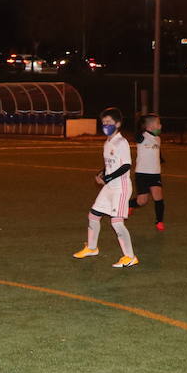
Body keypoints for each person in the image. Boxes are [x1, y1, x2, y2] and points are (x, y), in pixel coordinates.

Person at [72, 107, 138, 268]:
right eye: (103, 122)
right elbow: (110, 164)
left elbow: (125, 166)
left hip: (120, 188)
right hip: (109, 186)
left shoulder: (121, 142)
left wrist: (107, 177)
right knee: (93, 215)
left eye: (109, 122)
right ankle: (92, 248)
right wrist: (101, 173)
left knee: (116, 222)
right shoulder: (107, 142)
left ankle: (130, 257)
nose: (105, 125)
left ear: (118, 124)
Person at [133, 113, 166, 232]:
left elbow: (156, 152)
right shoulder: (142, 137)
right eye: (158, 123)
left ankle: (159, 221)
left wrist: (161, 159)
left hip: (155, 173)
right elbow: (137, 134)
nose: (160, 126)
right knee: (142, 201)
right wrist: (140, 124)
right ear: (149, 127)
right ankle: (129, 206)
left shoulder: (158, 138)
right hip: (142, 174)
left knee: (158, 196)